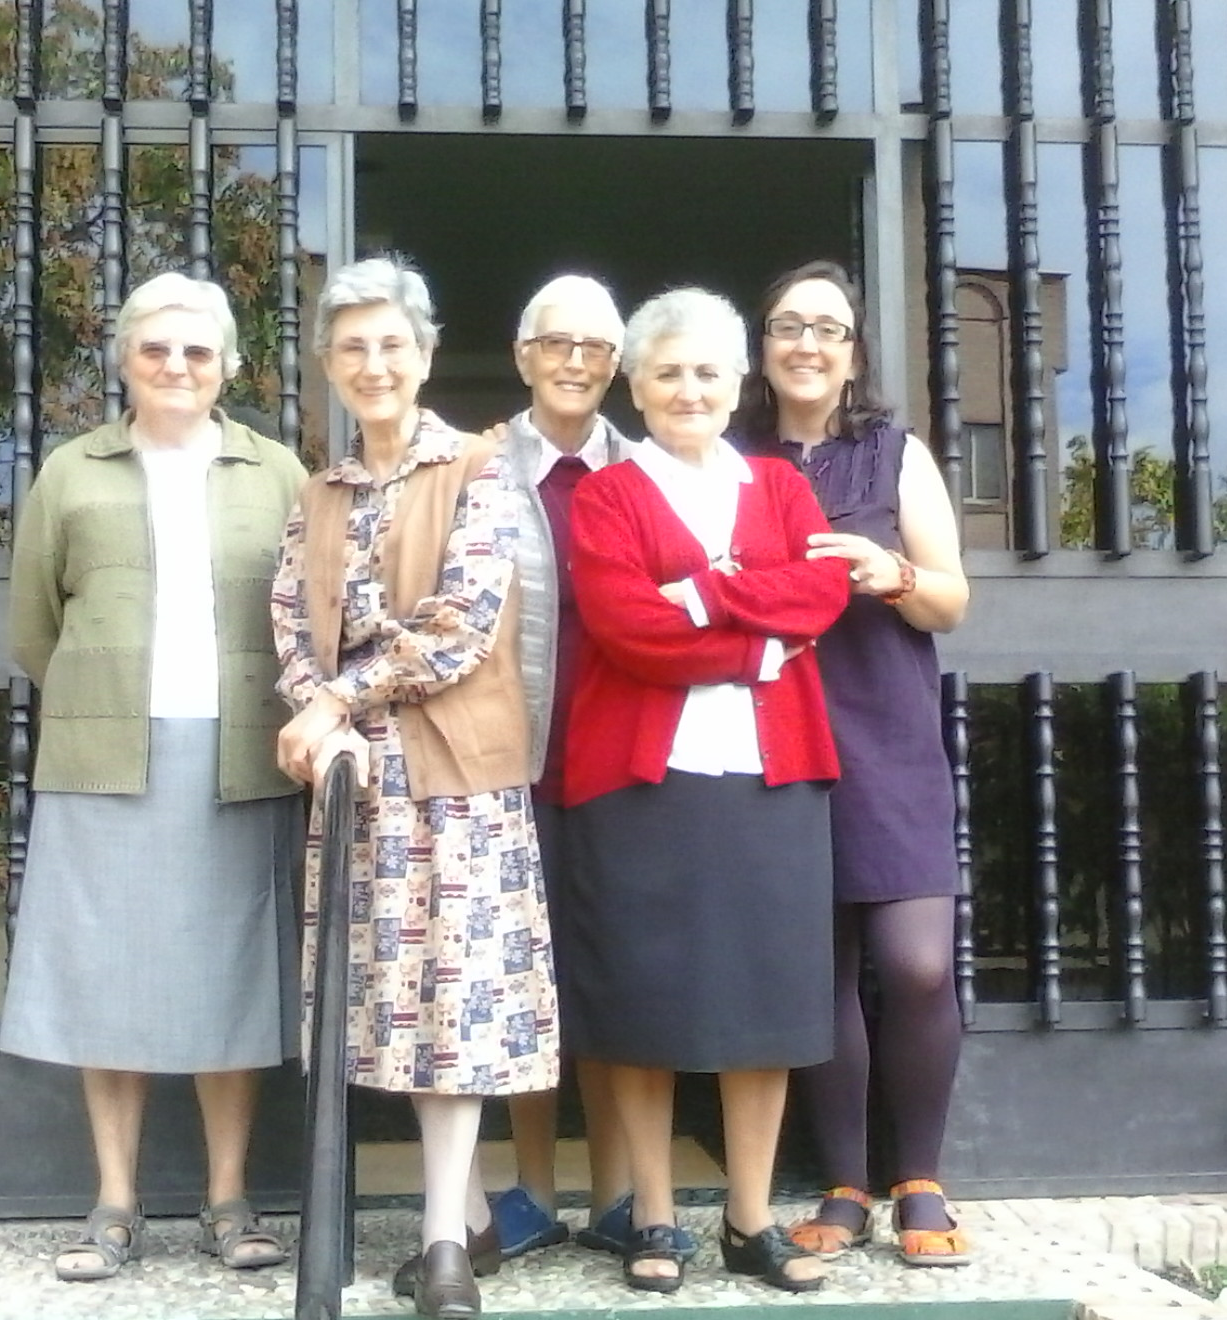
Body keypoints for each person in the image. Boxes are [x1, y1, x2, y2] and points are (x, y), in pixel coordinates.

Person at [3, 272, 310, 1282]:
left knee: (233, 985)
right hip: (107, 764)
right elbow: (35, 627)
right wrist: (103, 702)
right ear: (125, 361)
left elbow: (312, 612)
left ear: (229, 366)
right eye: (156, 349)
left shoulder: (277, 473)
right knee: (110, 983)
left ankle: (229, 1201)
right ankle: (114, 1204)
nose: (177, 366)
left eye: (197, 351)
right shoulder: (71, 472)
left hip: (239, 759)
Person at [270, 255, 559, 1320]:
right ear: (328, 365)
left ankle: (443, 1241)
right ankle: (468, 1213)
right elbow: (290, 626)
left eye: (393, 344)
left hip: (460, 785)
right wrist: (321, 710)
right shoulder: (318, 496)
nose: (374, 364)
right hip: (360, 785)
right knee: (391, 1010)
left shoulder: (480, 470)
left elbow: (459, 626)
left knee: (458, 1005)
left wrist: (334, 701)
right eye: (352, 347)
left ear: (426, 356)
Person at [557, 287, 850, 1295]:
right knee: (644, 1004)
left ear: (737, 385)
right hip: (639, 783)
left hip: (772, 777)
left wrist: (702, 593)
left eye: (708, 372)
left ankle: (749, 1220)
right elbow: (626, 628)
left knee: (766, 1004)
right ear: (635, 387)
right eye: (669, 372)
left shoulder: (780, 487)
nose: (690, 390)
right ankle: (652, 1216)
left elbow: (821, 592)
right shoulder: (607, 495)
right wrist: (757, 640)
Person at [736, 260, 973, 1266]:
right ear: (762, 347)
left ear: (853, 352)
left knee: (916, 966)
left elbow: (952, 599)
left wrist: (894, 573)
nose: (807, 343)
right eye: (787, 325)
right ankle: (843, 1184)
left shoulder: (894, 453)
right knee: (816, 973)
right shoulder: (729, 457)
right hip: (770, 740)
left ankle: (919, 1175)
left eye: (827, 329)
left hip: (888, 735)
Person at [483, 274, 636, 1263]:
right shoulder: (478, 467)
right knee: (524, 977)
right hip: (512, 758)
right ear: (522, 355)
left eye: (594, 347)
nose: (574, 361)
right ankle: (534, 1190)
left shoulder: (650, 468)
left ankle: (620, 1192)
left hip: (623, 760)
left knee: (618, 974)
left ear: (615, 366)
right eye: (555, 343)